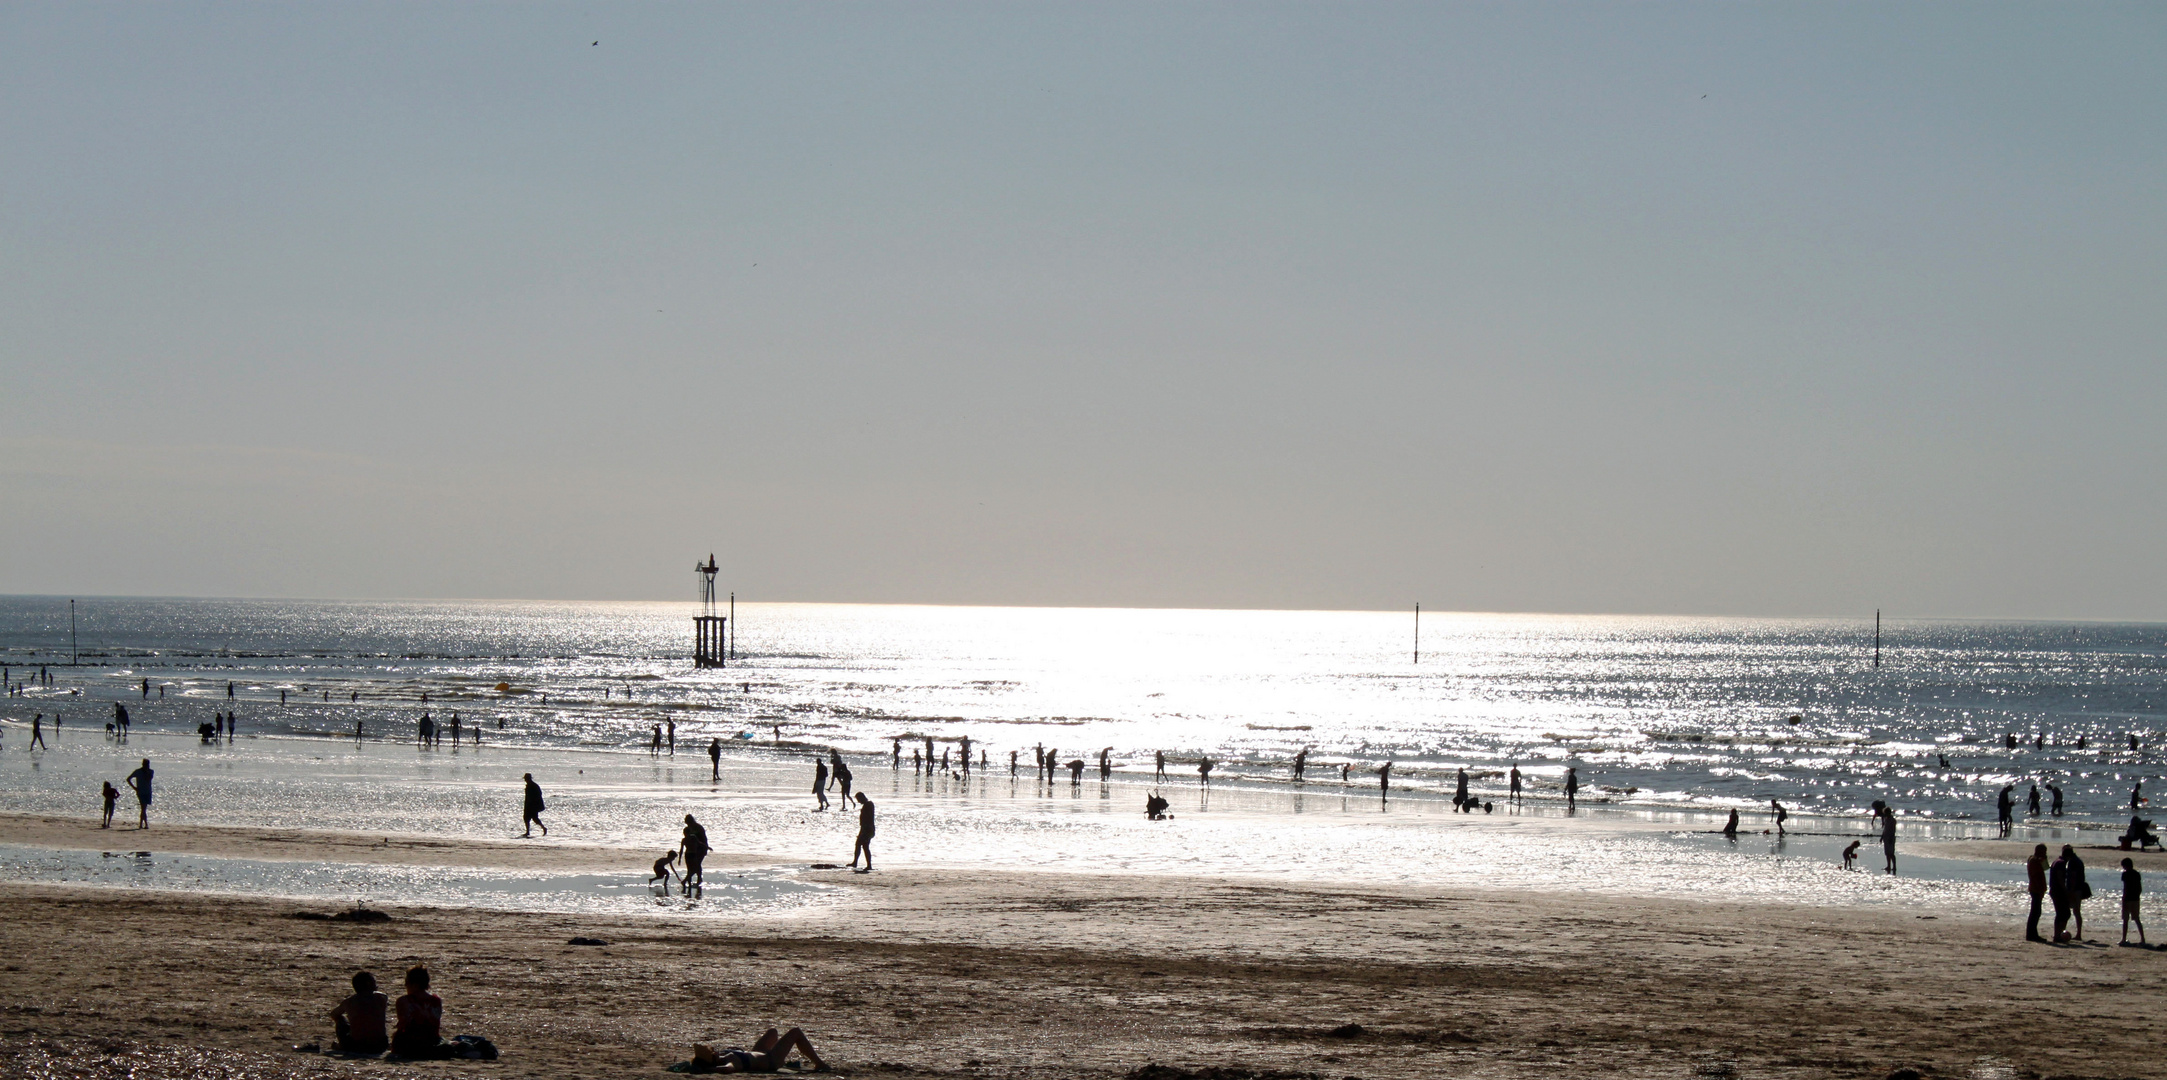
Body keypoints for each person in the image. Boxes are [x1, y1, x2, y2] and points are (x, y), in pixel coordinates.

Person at [698, 1027, 826, 1073]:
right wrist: (708, 1069)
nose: (712, 1050)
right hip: (770, 1060)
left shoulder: (723, 1055)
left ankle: (781, 1055)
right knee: (795, 1032)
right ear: (712, 1059)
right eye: (710, 1052)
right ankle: (819, 1063)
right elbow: (727, 1069)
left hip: (759, 1052)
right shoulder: (729, 1062)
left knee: (772, 1032)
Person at [391, 966, 448, 1059]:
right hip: (432, 1041)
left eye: (407, 983)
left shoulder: (404, 1001)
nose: (406, 986)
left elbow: (403, 1023)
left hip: (410, 1044)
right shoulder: (436, 1000)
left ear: (414, 985)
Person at [329, 971, 390, 1056]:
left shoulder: (349, 1001)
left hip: (357, 1046)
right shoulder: (382, 997)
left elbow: (334, 1014)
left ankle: (341, 1045)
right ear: (369, 984)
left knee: (341, 1020)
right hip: (380, 1045)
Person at [2049, 845, 2076, 942]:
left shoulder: (2056, 861)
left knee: (2061, 914)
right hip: (2058, 891)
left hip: (2054, 890)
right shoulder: (2061, 863)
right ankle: (2058, 935)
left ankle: (2058, 934)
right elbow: (2060, 878)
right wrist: (2066, 891)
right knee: (2064, 914)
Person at [2025, 843, 2050, 942]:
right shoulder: (2034, 861)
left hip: (2037, 889)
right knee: (2035, 912)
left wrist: (2044, 859)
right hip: (2036, 889)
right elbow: (2036, 877)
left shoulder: (2035, 860)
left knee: (2036, 912)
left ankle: (2032, 934)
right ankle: (2031, 934)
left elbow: (2046, 867)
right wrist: (2040, 890)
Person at [2066, 845, 2092, 941]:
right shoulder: (2078, 860)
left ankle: (2078, 934)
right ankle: (2078, 933)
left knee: (2075, 911)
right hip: (2078, 888)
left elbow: (2073, 876)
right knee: (2076, 911)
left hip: (2075, 889)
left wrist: (2071, 891)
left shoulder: (2073, 862)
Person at [2120, 857, 2146, 946]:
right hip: (2135, 899)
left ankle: (2124, 938)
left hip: (2127, 899)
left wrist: (2124, 898)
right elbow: (2139, 888)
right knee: (2137, 919)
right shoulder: (2137, 874)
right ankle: (2142, 938)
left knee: (2125, 920)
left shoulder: (2125, 874)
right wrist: (2137, 896)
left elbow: (2126, 887)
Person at [682, 814, 710, 892]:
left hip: (701, 848)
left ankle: (696, 879)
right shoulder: (688, 828)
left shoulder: (698, 827)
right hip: (693, 850)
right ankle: (694, 879)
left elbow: (702, 839)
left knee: (697, 864)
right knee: (694, 865)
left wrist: (705, 847)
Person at [849, 793, 876, 872]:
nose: (858, 801)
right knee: (860, 845)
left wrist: (864, 830)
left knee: (864, 846)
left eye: (858, 799)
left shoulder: (868, 805)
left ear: (862, 798)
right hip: (866, 829)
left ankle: (868, 865)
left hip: (867, 829)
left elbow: (867, 819)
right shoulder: (868, 805)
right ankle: (857, 862)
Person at [126, 758, 154, 828]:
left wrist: (146, 772)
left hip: (148, 791)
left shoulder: (151, 771)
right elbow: (128, 779)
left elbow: (148, 779)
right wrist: (134, 788)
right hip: (141, 791)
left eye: (147, 764)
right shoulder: (138, 771)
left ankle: (142, 824)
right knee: (143, 808)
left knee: (144, 808)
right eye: (145, 764)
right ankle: (144, 824)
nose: (146, 765)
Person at [1876, 800, 1898, 873]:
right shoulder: (1886, 819)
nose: (1885, 815)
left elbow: (1893, 830)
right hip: (1885, 837)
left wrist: (1891, 837)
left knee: (1891, 853)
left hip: (1891, 837)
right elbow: (1884, 829)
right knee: (1887, 853)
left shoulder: (1893, 820)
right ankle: (1888, 866)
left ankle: (1894, 866)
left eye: (1886, 813)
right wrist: (1882, 837)